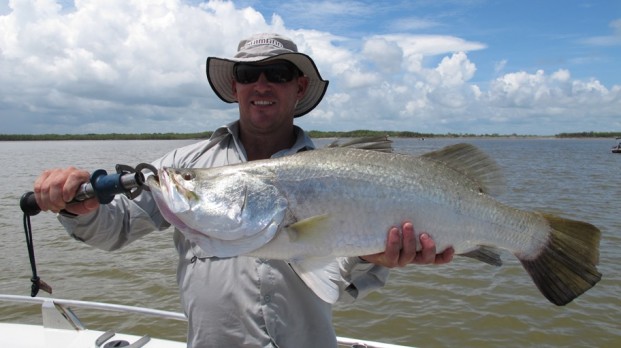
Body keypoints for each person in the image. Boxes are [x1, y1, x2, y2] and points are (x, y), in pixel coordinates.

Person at [34, 33, 454, 347]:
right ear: (235, 87)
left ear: (299, 87)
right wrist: (80, 208)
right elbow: (116, 228)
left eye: (279, 73)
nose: (262, 84)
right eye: (248, 74)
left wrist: (371, 257)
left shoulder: (343, 172)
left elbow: (343, 283)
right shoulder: (181, 169)